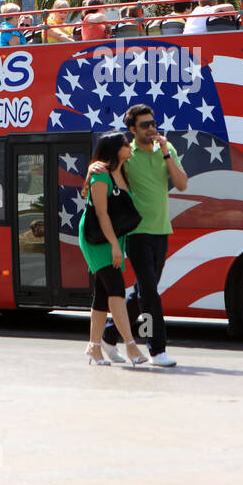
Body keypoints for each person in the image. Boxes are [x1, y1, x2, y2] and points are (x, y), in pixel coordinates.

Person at [98, 103, 188, 366]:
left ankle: (109, 336)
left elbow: (182, 184)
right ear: (132, 130)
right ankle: (156, 349)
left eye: (153, 123)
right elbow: (105, 169)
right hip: (137, 233)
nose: (151, 128)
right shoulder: (128, 155)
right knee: (149, 292)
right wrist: (94, 169)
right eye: (144, 125)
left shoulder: (166, 150)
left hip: (161, 230)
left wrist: (166, 153)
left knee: (142, 292)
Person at [80, 132, 149, 366]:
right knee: (116, 289)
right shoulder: (101, 175)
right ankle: (131, 345)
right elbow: (101, 213)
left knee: (102, 294)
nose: (130, 146)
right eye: (125, 144)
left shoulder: (123, 171)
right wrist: (114, 246)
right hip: (98, 238)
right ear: (115, 150)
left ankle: (94, 347)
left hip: (112, 237)